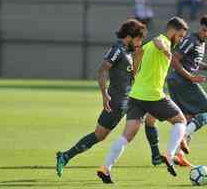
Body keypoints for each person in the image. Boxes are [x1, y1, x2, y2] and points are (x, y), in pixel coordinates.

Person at [96, 17, 189, 184]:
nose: (180, 40)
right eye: (180, 36)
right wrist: (165, 50)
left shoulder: (146, 46)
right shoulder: (163, 40)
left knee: (127, 135)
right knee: (180, 121)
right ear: (173, 31)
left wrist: (138, 71)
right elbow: (157, 41)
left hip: (136, 95)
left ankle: (105, 168)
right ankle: (169, 154)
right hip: (153, 96)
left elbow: (138, 54)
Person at [55, 19, 147, 177]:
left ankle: (158, 155)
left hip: (128, 101)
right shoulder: (117, 49)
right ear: (130, 36)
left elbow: (133, 76)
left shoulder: (128, 52)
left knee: (109, 134)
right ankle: (66, 156)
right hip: (117, 102)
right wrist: (105, 94)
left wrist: (138, 57)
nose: (140, 42)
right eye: (138, 39)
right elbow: (103, 70)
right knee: (99, 135)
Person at [145, 15, 207, 167]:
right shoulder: (191, 40)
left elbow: (196, 64)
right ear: (200, 27)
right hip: (181, 81)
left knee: (188, 117)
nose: (206, 34)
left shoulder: (200, 43)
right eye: (204, 30)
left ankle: (178, 154)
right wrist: (191, 77)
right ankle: (182, 136)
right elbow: (175, 60)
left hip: (176, 81)